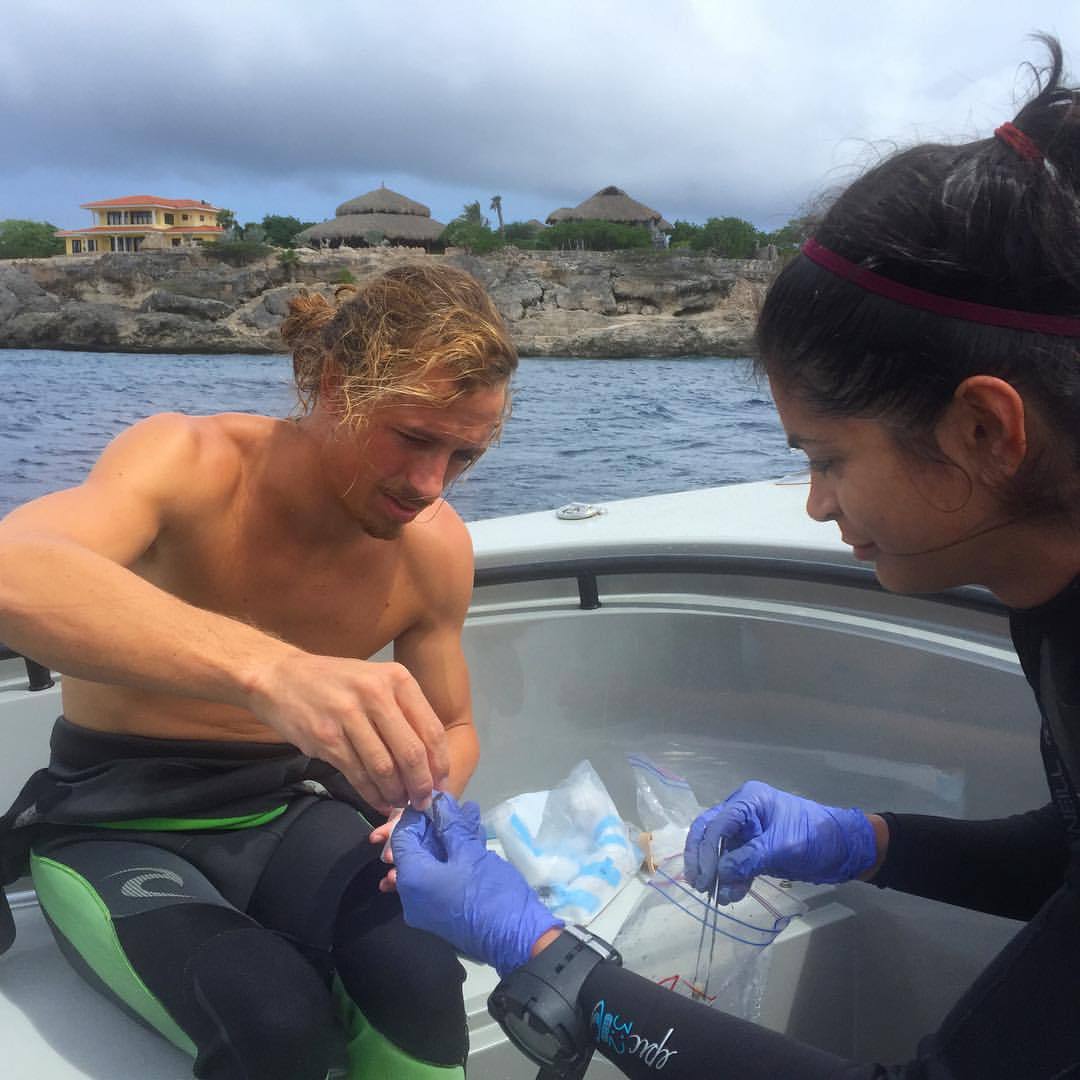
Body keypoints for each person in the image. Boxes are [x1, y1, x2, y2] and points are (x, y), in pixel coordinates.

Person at [394, 37, 1080, 1080]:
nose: (814, 506)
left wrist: (546, 961)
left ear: (988, 431)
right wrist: (869, 840)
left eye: (828, 458)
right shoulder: (1053, 598)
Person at [0, 262, 518, 1079]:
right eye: (415, 437)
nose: (431, 484)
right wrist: (271, 672)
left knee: (421, 983)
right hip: (112, 818)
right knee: (273, 1020)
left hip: (288, 812)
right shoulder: (189, 462)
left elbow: (453, 725)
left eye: (463, 455)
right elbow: (14, 566)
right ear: (335, 383)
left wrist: (422, 799)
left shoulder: (435, 550)